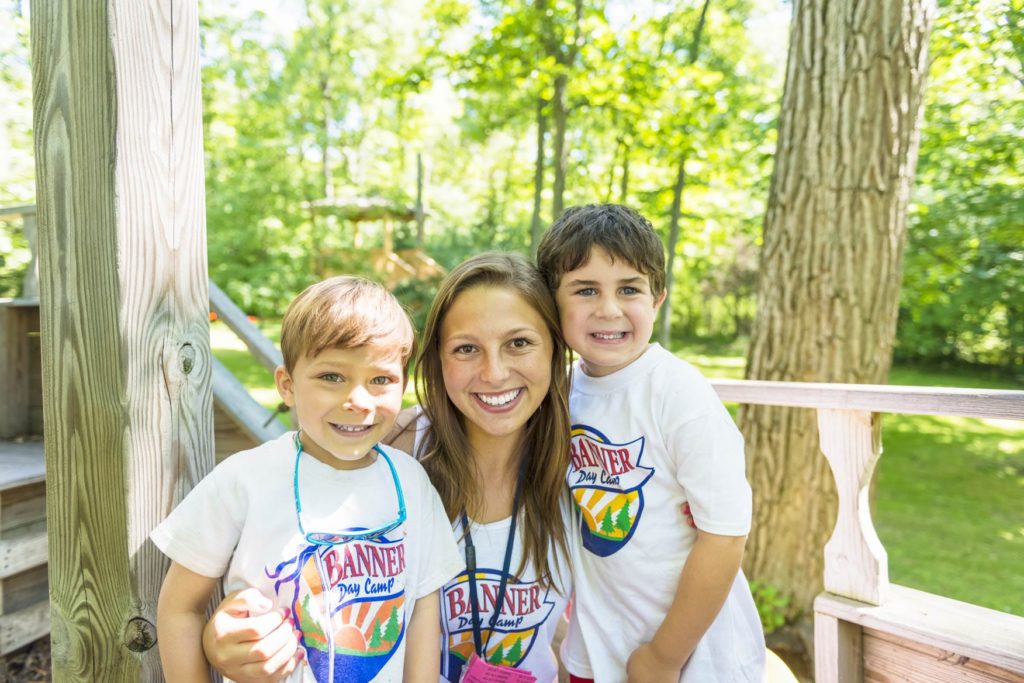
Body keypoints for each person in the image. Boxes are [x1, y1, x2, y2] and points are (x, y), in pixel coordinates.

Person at [201, 253, 576, 683]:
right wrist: (222, 637)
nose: (494, 372)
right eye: (466, 349)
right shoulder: (386, 444)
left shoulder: (583, 461)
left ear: (555, 350)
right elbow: (275, 558)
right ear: (436, 361)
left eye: (519, 343)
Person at [151, 276, 463, 683]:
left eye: (380, 380)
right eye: (332, 376)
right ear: (288, 385)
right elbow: (179, 608)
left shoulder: (412, 483)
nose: (358, 401)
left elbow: (422, 608)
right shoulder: (244, 480)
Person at [536, 203, 766, 683]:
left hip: (692, 657)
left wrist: (663, 657)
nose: (609, 309)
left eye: (629, 289)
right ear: (551, 302)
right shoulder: (559, 391)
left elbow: (725, 536)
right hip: (596, 650)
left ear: (657, 298)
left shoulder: (679, 394)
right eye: (585, 290)